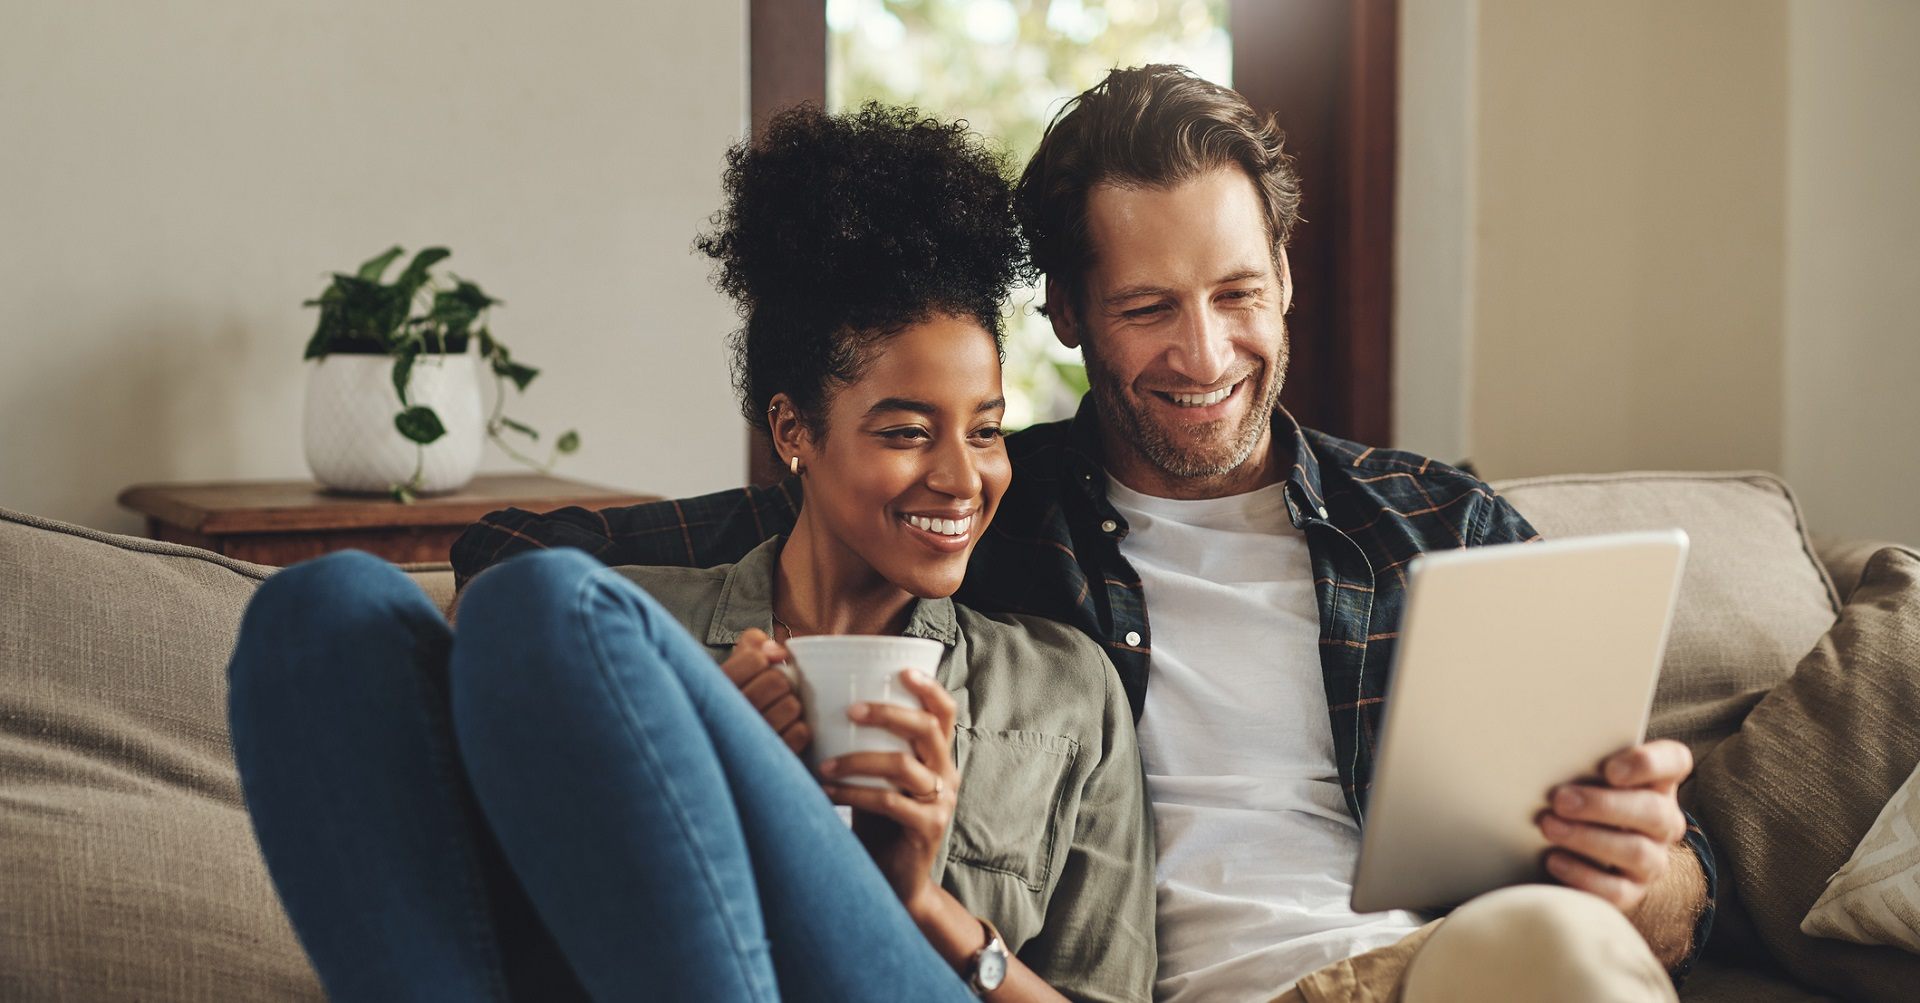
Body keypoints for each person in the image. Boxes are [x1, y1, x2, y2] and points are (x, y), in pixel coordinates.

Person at [452, 68, 1716, 1002]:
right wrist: (701, 692)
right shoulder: (983, 507)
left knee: (1568, 948)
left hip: (1449, 971)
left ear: (1287, 273)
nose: (1206, 353)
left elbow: (1673, 908)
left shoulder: (1441, 526)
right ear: (1066, 312)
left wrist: (1641, 866)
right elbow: (528, 571)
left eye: (1237, 294)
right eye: (1150, 307)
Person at [229, 103, 1155, 1003]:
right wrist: (710, 758)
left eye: (987, 432)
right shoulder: (640, 640)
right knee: (317, 611)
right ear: (794, 429)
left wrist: (923, 906)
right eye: (909, 432)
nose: (963, 479)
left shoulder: (1065, 692)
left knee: (543, 600)